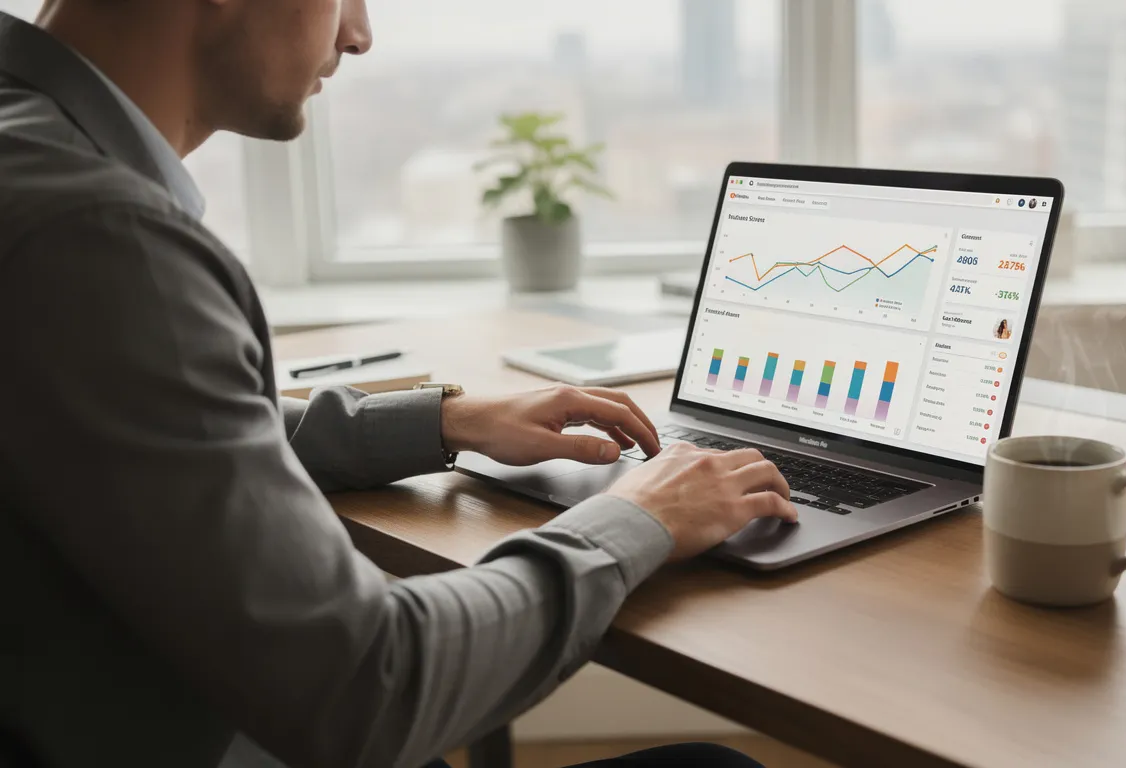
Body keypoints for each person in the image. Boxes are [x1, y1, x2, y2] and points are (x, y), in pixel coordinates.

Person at [0, 2, 798, 767]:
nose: (359, 34)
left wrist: (445, 422)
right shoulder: (102, 238)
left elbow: (163, 440)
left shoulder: (31, 156)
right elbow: (368, 689)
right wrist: (638, 518)